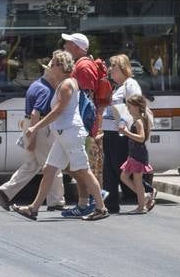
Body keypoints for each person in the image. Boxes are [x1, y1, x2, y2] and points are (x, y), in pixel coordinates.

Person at [12, 51, 110, 221]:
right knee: (49, 169)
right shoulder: (65, 83)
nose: (50, 66)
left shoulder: (66, 85)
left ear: (61, 66)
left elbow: (58, 111)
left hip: (70, 133)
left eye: (54, 63)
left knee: (84, 170)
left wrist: (35, 127)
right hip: (64, 134)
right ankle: (33, 208)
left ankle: (101, 208)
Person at [0, 61, 66, 212]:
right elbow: (36, 113)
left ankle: (5, 192)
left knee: (31, 164)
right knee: (53, 163)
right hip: (40, 127)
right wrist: (32, 138)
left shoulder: (36, 84)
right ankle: (56, 201)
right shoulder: (45, 90)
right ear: (52, 73)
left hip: (31, 125)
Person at [61, 32, 112, 206]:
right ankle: (87, 202)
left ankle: (95, 201)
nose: (65, 46)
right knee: (81, 166)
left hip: (85, 126)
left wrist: (84, 126)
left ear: (76, 46)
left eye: (67, 43)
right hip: (86, 125)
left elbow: (86, 101)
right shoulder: (83, 65)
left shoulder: (83, 67)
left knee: (86, 166)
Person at [101, 54, 150, 213]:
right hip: (110, 132)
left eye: (113, 67)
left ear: (123, 68)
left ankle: (147, 193)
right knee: (110, 169)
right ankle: (110, 204)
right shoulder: (118, 87)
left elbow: (134, 108)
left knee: (119, 168)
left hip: (120, 134)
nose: (110, 70)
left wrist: (125, 128)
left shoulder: (130, 84)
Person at [117, 92, 156, 213]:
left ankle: (141, 207)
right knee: (124, 177)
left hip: (138, 154)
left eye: (130, 107)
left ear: (137, 107)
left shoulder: (139, 121)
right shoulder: (137, 120)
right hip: (134, 153)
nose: (128, 110)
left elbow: (141, 138)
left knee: (137, 181)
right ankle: (144, 196)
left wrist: (126, 133)